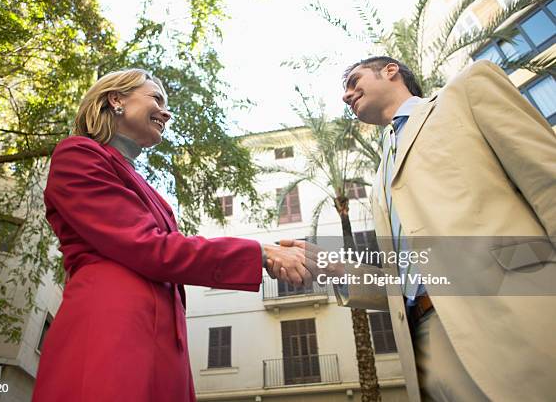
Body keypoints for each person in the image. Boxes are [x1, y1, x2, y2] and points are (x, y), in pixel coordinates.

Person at [282, 57, 556, 401]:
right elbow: (402, 283)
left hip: (517, 313)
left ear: (391, 70)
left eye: (354, 81)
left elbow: (548, 181)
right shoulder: (381, 177)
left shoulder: (467, 90)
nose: (346, 96)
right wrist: (332, 267)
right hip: (425, 348)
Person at [32, 68, 313, 402]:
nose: (166, 112)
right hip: (112, 327)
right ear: (116, 99)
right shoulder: (78, 154)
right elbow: (147, 246)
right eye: (156, 98)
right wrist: (261, 253)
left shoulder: (140, 183)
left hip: (166, 338)